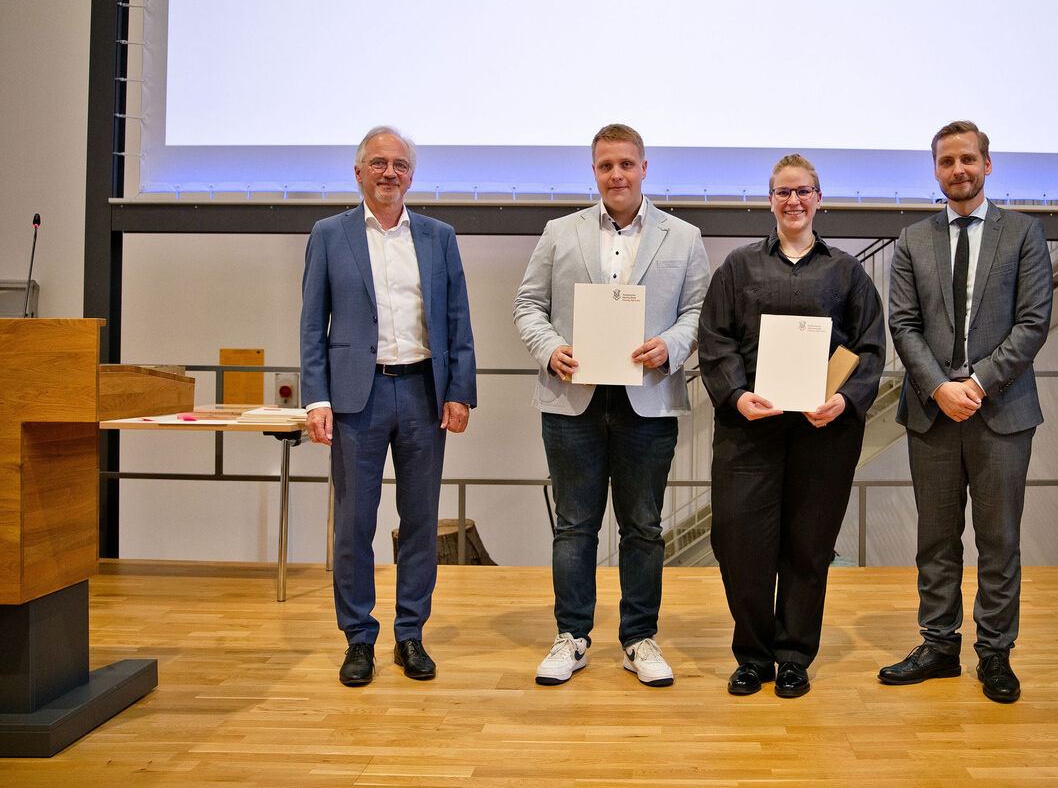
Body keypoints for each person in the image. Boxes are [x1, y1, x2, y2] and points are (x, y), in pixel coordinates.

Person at [513, 123, 711, 688]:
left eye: (627, 164)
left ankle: (639, 639)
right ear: (593, 171)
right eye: (606, 166)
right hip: (571, 401)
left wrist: (670, 346)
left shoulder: (684, 236)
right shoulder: (559, 232)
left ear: (644, 168)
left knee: (643, 527)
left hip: (647, 401)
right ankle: (571, 637)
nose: (617, 175)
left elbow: (698, 310)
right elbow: (528, 305)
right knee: (574, 526)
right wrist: (552, 349)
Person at [698, 153, 886, 698]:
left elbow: (869, 346)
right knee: (740, 543)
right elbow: (716, 340)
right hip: (749, 430)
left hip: (822, 432)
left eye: (803, 191)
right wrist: (736, 395)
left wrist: (845, 401)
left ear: (818, 198)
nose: (794, 201)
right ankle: (752, 656)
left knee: (808, 547)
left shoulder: (847, 271)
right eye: (783, 193)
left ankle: (795, 654)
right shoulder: (738, 267)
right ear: (770, 200)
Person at [879, 120, 1052, 703]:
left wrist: (975, 383)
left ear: (987, 164)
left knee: (999, 539)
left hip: (1001, 411)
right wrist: (939, 388)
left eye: (969, 159)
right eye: (948, 161)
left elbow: (1033, 323)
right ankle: (939, 645)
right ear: (936, 170)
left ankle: (996, 653)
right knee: (935, 538)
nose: (959, 169)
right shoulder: (912, 240)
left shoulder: (1025, 233)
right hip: (932, 414)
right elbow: (901, 323)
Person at [300, 125, 477, 686]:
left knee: (421, 520)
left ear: (411, 175)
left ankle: (409, 635)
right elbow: (312, 324)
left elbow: (457, 319)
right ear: (358, 173)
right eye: (378, 163)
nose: (389, 172)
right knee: (354, 522)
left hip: (424, 392)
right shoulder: (329, 235)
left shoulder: (439, 236)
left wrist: (459, 390)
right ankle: (358, 639)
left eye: (399, 164)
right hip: (358, 396)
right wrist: (317, 397)